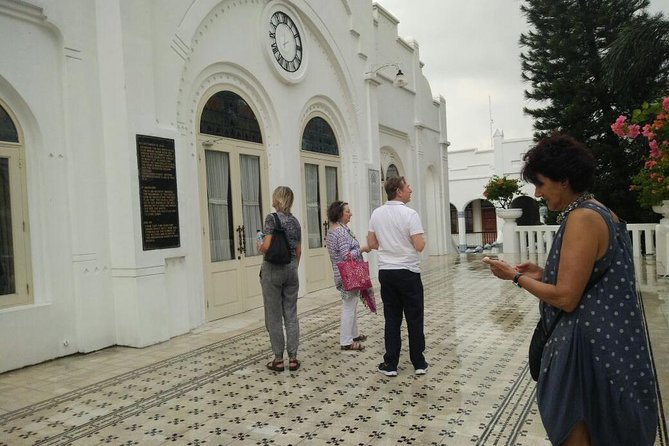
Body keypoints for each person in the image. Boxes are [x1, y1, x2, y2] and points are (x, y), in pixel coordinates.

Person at [483, 134, 658, 446]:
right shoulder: (599, 211)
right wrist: (542, 272)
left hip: (591, 350)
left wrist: (515, 277)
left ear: (563, 180)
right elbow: (591, 277)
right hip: (610, 343)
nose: (537, 193)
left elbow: (566, 297)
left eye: (540, 183)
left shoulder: (583, 218)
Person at [367, 176, 427, 377]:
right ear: (399, 191)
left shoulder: (376, 213)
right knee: (414, 317)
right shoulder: (410, 214)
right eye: (407, 186)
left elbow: (373, 243)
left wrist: (389, 243)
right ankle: (418, 362)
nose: (411, 189)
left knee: (392, 318)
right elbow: (419, 246)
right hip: (408, 271)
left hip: (387, 272)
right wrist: (413, 241)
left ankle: (390, 363)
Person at [257, 186, 302, 372]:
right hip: (291, 268)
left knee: (274, 315)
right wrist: (293, 268)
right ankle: (293, 358)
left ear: (278, 199)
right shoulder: (295, 221)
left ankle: (278, 359)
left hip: (273, 269)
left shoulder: (271, 219)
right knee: (291, 313)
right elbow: (298, 250)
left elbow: (266, 247)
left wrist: (259, 242)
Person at [325, 200, 372, 351]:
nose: (350, 213)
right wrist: (363, 249)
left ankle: (354, 334)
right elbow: (346, 255)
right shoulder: (340, 232)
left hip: (342, 273)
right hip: (347, 274)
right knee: (349, 306)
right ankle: (346, 341)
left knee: (351, 304)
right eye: (347, 211)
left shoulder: (334, 230)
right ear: (339, 214)